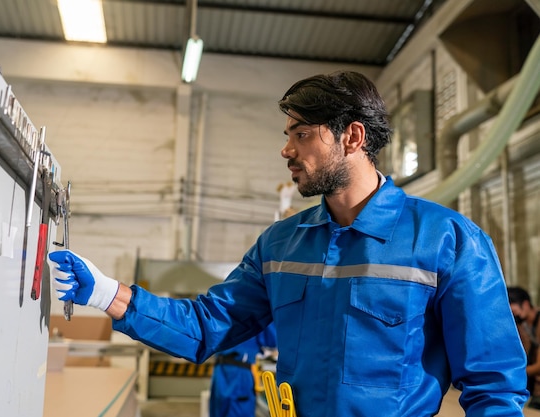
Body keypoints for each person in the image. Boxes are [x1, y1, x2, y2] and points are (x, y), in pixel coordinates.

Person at [48, 71, 528, 416]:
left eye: (302, 134)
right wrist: (106, 293)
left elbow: (494, 387)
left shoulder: (448, 241)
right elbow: (205, 326)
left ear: (353, 137)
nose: (286, 150)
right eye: (287, 135)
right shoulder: (281, 245)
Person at [210, 323, 277, 417]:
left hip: (221, 368)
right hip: (239, 372)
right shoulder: (258, 310)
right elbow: (272, 340)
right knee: (239, 409)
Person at [508, 286, 540, 409]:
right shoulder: (522, 324)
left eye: (514, 311)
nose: (513, 316)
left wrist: (512, 372)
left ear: (525, 304)